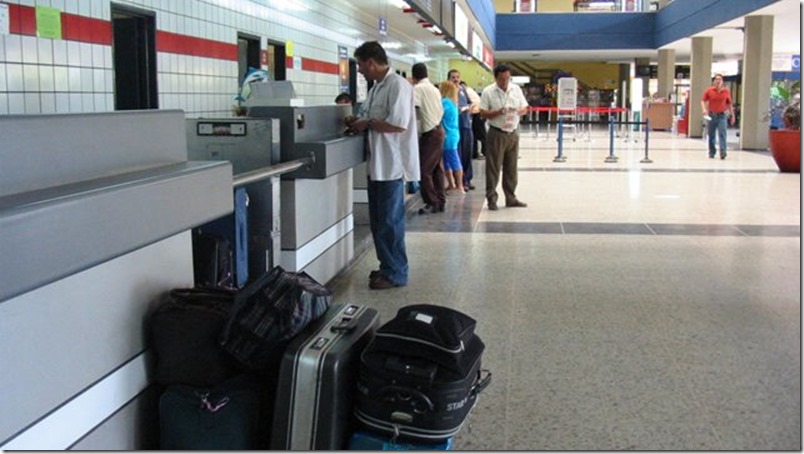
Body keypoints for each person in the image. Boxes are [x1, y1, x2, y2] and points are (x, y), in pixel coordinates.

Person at [344, 41, 419, 290]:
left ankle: (397, 272)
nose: (360, 71)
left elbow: (398, 124)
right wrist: (359, 120)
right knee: (379, 220)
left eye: (361, 66)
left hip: (391, 165)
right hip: (377, 165)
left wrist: (367, 123)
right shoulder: (377, 87)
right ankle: (388, 265)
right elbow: (373, 117)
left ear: (372, 62)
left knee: (390, 221)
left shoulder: (397, 85)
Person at [479, 63, 529, 211]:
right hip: (497, 133)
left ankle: (511, 198)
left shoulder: (516, 89)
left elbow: (525, 108)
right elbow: (482, 113)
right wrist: (498, 112)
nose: (505, 82)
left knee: (511, 168)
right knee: (493, 168)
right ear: (496, 78)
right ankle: (492, 199)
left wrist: (519, 112)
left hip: (513, 133)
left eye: (508, 78)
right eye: (502, 79)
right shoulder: (488, 91)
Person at [411, 63, 446, 215]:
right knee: (437, 168)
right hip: (438, 130)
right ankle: (440, 201)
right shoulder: (434, 89)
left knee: (424, 170)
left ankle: (431, 202)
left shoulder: (418, 89)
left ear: (414, 76)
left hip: (429, 134)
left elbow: (413, 108)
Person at [448, 70, 477, 191]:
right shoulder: (448, 92)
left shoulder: (462, 89)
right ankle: (460, 181)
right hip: (456, 127)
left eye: (457, 77)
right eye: (453, 77)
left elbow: (470, 103)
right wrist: (461, 109)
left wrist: (470, 107)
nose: (456, 79)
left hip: (466, 125)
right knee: (458, 155)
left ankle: (468, 179)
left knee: (467, 153)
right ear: (449, 79)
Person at [700, 73, 735, 160]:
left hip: (722, 115)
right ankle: (712, 152)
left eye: (720, 79)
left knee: (722, 133)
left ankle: (723, 152)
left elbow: (729, 104)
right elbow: (703, 100)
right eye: (716, 79)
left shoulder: (726, 91)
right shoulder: (709, 91)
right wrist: (704, 110)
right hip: (712, 115)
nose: (718, 81)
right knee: (711, 134)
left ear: (722, 81)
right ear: (714, 81)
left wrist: (732, 115)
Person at [439, 80, 464, 195]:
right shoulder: (453, 102)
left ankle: (459, 186)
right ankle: (451, 185)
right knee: (447, 161)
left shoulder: (445, 102)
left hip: (448, 136)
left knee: (454, 161)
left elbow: (438, 114)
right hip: (453, 134)